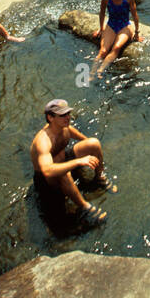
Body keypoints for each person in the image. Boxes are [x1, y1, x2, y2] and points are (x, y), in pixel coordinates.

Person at [29, 98, 115, 228]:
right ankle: (85, 207)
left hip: (64, 161)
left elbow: (84, 140)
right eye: (62, 115)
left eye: (68, 113)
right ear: (50, 117)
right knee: (64, 174)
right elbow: (47, 170)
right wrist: (79, 162)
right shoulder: (43, 141)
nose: (68, 117)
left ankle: (99, 178)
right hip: (47, 179)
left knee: (94, 143)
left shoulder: (65, 128)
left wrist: (91, 152)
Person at [92, 0, 142, 76]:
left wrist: (136, 33)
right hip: (111, 25)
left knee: (116, 47)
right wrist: (101, 29)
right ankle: (92, 73)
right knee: (103, 51)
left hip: (125, 26)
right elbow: (102, 13)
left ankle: (100, 70)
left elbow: (135, 15)